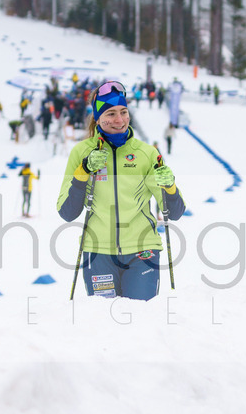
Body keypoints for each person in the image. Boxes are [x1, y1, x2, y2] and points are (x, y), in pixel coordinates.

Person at [57, 80, 185, 300]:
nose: (119, 120)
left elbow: (175, 213)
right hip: (97, 252)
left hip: (142, 250)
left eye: (124, 112)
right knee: (104, 323)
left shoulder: (146, 153)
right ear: (98, 118)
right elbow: (67, 212)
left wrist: (170, 187)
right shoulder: (81, 153)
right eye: (111, 113)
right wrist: (83, 172)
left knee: (140, 320)